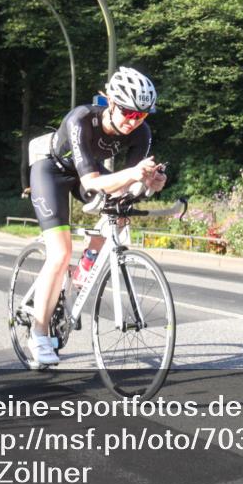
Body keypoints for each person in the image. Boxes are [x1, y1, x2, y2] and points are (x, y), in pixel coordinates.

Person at [26, 67, 167, 365]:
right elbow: (90, 182)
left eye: (141, 115)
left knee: (122, 208)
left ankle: (78, 280)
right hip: (52, 172)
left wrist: (150, 184)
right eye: (128, 112)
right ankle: (37, 334)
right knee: (60, 253)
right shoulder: (82, 119)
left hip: (88, 173)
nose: (134, 121)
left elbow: (131, 184)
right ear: (112, 103)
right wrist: (131, 175)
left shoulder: (141, 132)